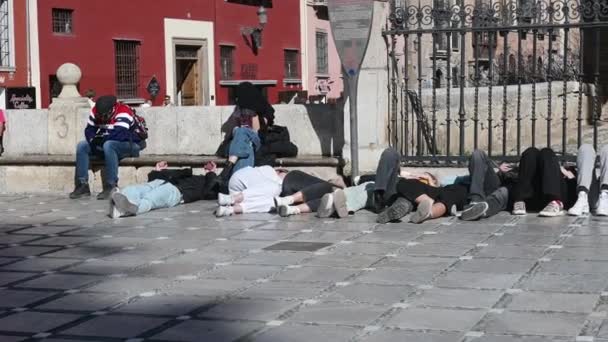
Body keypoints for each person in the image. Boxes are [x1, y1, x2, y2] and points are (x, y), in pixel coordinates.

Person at [69, 95, 144, 200]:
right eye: (100, 116)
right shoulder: (95, 112)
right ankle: (82, 185)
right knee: (82, 146)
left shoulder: (123, 111)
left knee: (109, 144)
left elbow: (119, 134)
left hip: (130, 144)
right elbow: (89, 130)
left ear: (112, 109)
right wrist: (92, 139)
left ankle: (111, 185)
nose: (103, 118)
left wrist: (100, 139)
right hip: (106, 143)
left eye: (105, 115)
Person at [110, 161, 220, 218]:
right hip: (159, 182)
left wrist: (211, 173)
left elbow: (208, 190)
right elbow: (153, 178)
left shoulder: (206, 183)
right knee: (133, 189)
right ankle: (120, 208)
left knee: (150, 199)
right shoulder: (188, 175)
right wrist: (159, 171)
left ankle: (123, 210)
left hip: (175, 192)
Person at [218, 82, 275, 182]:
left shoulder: (258, 111)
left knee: (243, 133)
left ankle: (228, 169)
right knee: (244, 152)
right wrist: (238, 131)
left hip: (255, 141)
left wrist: (242, 131)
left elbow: (256, 133)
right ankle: (237, 181)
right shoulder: (239, 109)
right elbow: (235, 127)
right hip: (242, 143)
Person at [511, 147, 573, 217]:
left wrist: (561, 170)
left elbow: (571, 178)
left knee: (547, 152)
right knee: (530, 152)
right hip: (530, 196)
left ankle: (556, 202)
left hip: (553, 194)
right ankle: (520, 200)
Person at [215, 165, 287, 217]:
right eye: (287, 175)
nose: (287, 181)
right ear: (280, 171)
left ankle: (231, 209)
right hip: (242, 179)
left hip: (241, 192)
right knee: (276, 188)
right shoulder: (269, 170)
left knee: (274, 203)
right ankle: (232, 199)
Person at [459, 150, 510, 221]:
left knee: (504, 191)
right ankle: (475, 201)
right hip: (497, 182)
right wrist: (499, 171)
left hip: (510, 191)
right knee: (478, 153)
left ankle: (480, 210)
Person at [274, 171, 339, 217]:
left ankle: (289, 205)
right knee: (329, 189)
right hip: (287, 184)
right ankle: (292, 207)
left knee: (330, 194)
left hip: (287, 186)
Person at [568, 144, 608, 216]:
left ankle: (605, 196)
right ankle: (582, 197)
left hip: (598, 197)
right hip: (593, 194)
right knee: (585, 148)